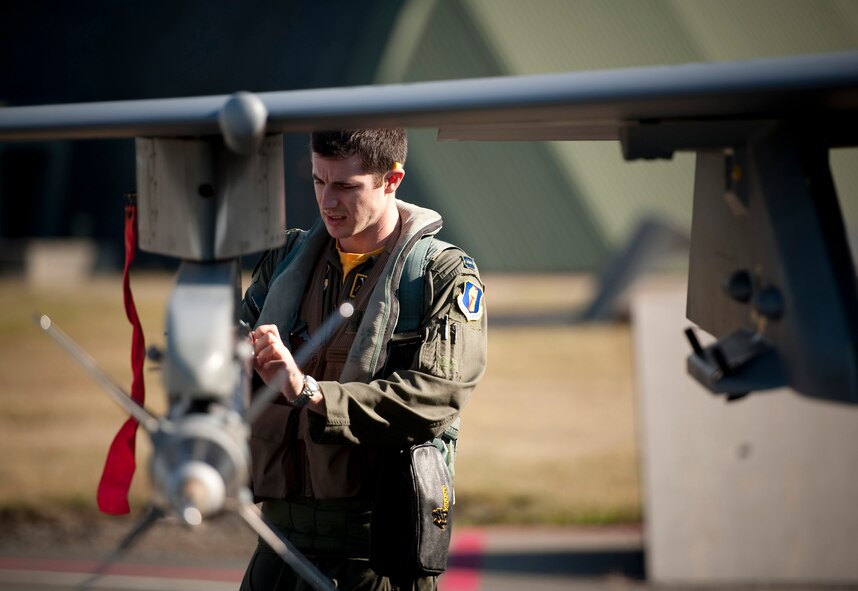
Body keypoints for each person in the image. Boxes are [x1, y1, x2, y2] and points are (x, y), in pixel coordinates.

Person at [239, 128, 487, 591]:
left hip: (377, 553)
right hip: (277, 544)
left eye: (346, 186)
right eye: (318, 181)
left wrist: (311, 393)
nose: (326, 201)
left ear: (392, 180)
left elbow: (438, 394)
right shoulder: (284, 262)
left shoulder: (442, 274)